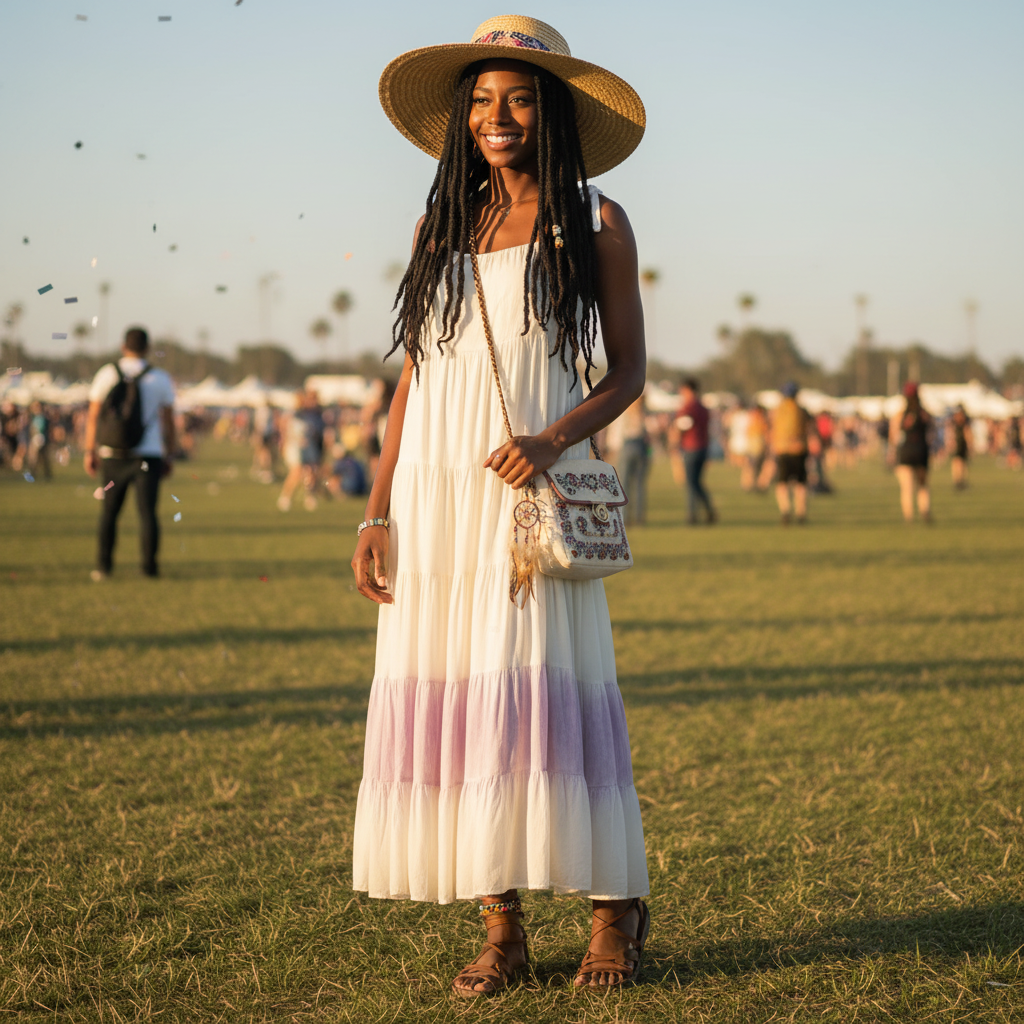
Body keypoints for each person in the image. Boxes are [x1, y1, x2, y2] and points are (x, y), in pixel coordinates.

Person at [350, 16, 650, 997]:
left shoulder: (594, 220)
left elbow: (629, 372)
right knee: (465, 692)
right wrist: (377, 506)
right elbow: (416, 376)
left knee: (545, 684)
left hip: (530, 495)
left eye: (519, 97)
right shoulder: (440, 225)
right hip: (439, 501)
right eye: (480, 100)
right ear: (458, 120)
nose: (498, 116)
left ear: (552, 110)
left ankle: (613, 909)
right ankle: (504, 927)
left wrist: (551, 438)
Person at [83, 327, 176, 579]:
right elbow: (168, 422)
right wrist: (170, 454)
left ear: (124, 346)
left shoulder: (106, 374)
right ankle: (149, 568)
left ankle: (104, 567)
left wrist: (90, 451)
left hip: (113, 455)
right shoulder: (159, 378)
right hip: (148, 456)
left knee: (110, 512)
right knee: (148, 513)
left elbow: (93, 417)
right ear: (147, 348)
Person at [673, 378, 716, 524]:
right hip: (703, 447)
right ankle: (709, 510)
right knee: (697, 482)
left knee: (691, 483)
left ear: (689, 390)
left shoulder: (688, 407)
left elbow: (683, 425)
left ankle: (692, 516)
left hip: (691, 447)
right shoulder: (703, 407)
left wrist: (675, 441)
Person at [889, 381, 932, 522]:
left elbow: (893, 436)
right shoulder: (924, 414)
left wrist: (892, 453)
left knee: (906, 488)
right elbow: (931, 434)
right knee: (922, 485)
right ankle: (925, 510)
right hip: (921, 450)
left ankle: (909, 516)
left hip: (906, 451)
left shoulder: (900, 414)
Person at [770, 381, 810, 524]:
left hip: (782, 450)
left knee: (782, 484)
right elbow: (810, 430)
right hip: (799, 449)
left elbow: (772, 430)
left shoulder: (777, 410)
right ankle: (801, 512)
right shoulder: (802, 410)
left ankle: (785, 510)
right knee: (801, 484)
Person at [616, 395, 650, 525]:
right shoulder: (644, 412)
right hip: (641, 446)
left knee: (624, 483)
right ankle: (639, 518)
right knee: (639, 484)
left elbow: (617, 432)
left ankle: (624, 517)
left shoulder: (624, 410)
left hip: (628, 444)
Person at [949, 405, 971, 490]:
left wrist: (969, 444)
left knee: (962, 464)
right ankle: (958, 481)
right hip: (957, 445)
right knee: (957, 464)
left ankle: (961, 481)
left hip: (961, 445)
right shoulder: (956, 423)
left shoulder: (963, 423)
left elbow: (967, 434)